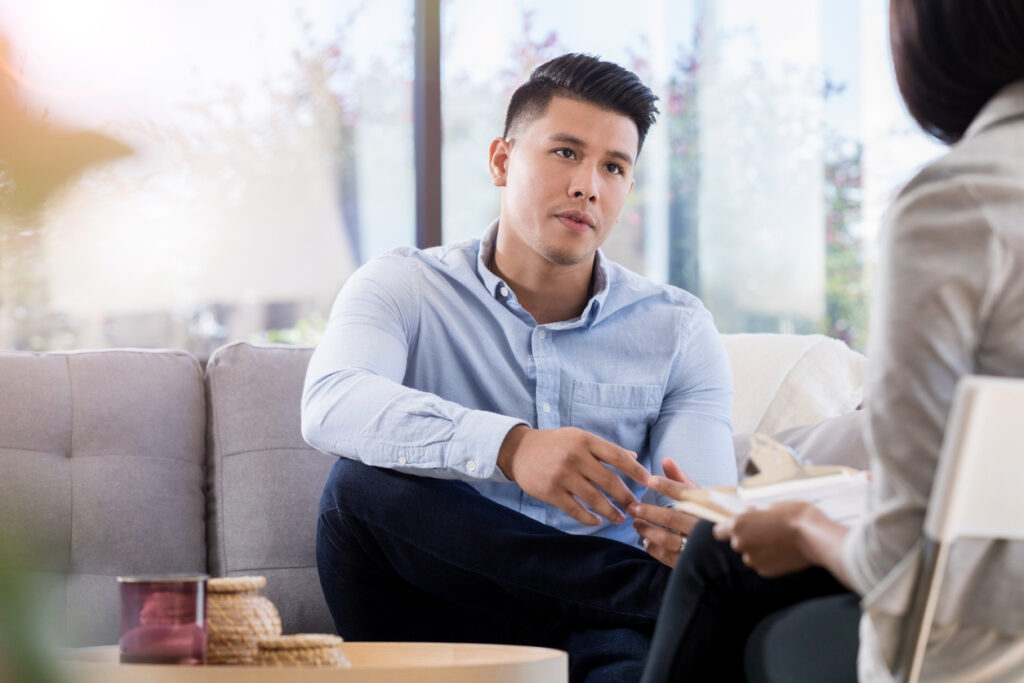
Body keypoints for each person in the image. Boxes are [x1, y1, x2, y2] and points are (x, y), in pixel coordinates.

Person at [302, 53, 736, 682]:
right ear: (502, 161)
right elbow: (331, 403)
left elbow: (699, 503)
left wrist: (697, 532)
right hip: (438, 617)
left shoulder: (679, 330)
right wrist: (512, 449)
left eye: (613, 167)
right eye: (566, 152)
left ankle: (661, 603)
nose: (589, 184)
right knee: (354, 494)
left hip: (604, 631)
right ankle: (668, 603)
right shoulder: (402, 285)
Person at [640, 2, 1024, 681]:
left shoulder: (958, 202)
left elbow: (898, 563)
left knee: (720, 558)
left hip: (977, 638)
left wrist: (806, 530)